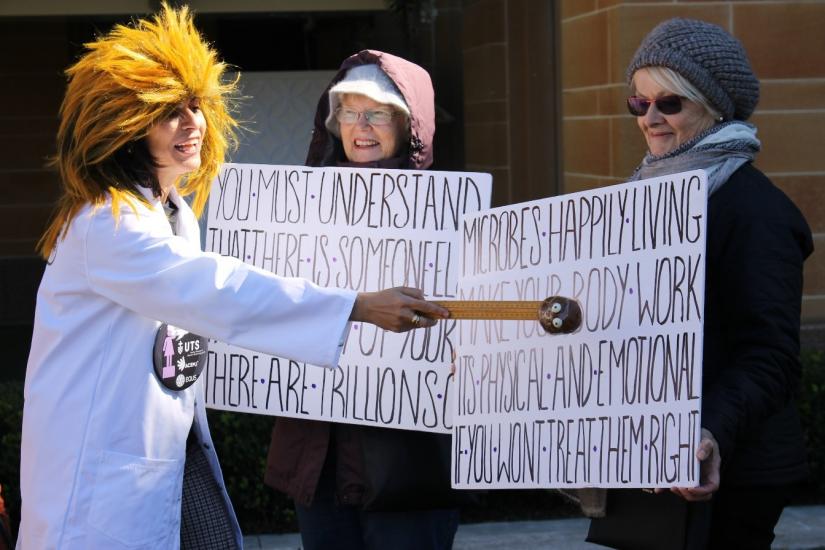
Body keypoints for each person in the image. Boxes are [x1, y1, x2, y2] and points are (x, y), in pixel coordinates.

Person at [18, 7, 448, 550]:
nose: (192, 124)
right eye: (169, 112)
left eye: (196, 106)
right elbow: (217, 290)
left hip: (168, 463)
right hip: (97, 498)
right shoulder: (109, 223)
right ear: (124, 126)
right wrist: (355, 306)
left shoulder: (170, 215)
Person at [587, 18, 812, 550]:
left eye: (670, 103)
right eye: (638, 104)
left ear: (714, 106)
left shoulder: (758, 211)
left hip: (727, 468)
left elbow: (771, 355)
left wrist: (709, 431)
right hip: (647, 455)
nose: (651, 119)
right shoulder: (642, 197)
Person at [264, 50, 460, 550]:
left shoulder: (453, 218)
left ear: (410, 123)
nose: (361, 126)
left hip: (408, 466)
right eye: (348, 112)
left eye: (377, 112)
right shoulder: (297, 211)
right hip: (318, 456)